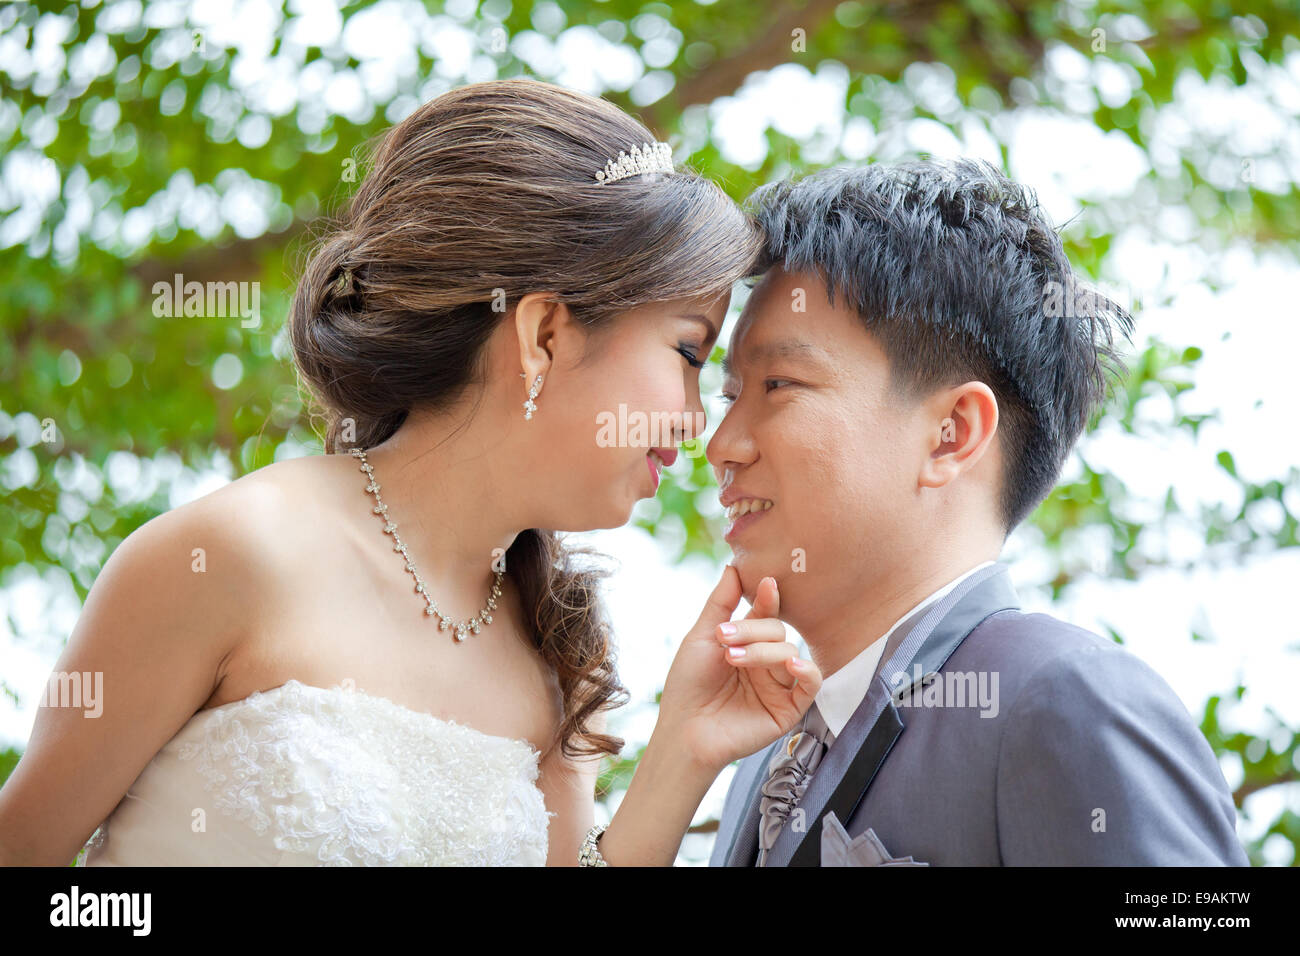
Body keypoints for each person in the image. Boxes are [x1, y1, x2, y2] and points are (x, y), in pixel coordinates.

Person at [0, 78, 820, 867]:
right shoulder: (229, 556)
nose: (696, 420)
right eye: (687, 352)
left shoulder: (556, 646)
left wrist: (684, 747)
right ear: (541, 335)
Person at [706, 160, 1249, 866]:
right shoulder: (757, 756)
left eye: (777, 384)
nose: (721, 445)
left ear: (951, 433)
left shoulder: (1067, 698)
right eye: (729, 396)